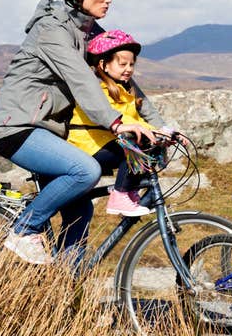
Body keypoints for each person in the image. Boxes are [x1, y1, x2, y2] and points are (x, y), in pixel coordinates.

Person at [0, 0, 156, 266]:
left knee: (80, 210)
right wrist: (116, 124)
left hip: (49, 131)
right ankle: (24, 230)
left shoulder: (91, 32)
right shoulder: (52, 30)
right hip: (19, 128)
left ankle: (65, 290)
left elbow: (122, 81)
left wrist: (159, 125)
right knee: (85, 171)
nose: (108, 0)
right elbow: (83, 82)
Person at [67, 28, 176, 218]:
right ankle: (120, 195)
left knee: (149, 151)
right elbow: (119, 118)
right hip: (87, 144)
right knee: (133, 152)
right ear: (104, 65)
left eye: (132, 64)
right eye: (123, 64)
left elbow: (136, 118)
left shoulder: (124, 90)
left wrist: (163, 131)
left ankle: (129, 190)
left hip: (105, 141)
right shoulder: (98, 88)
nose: (129, 69)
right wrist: (151, 130)